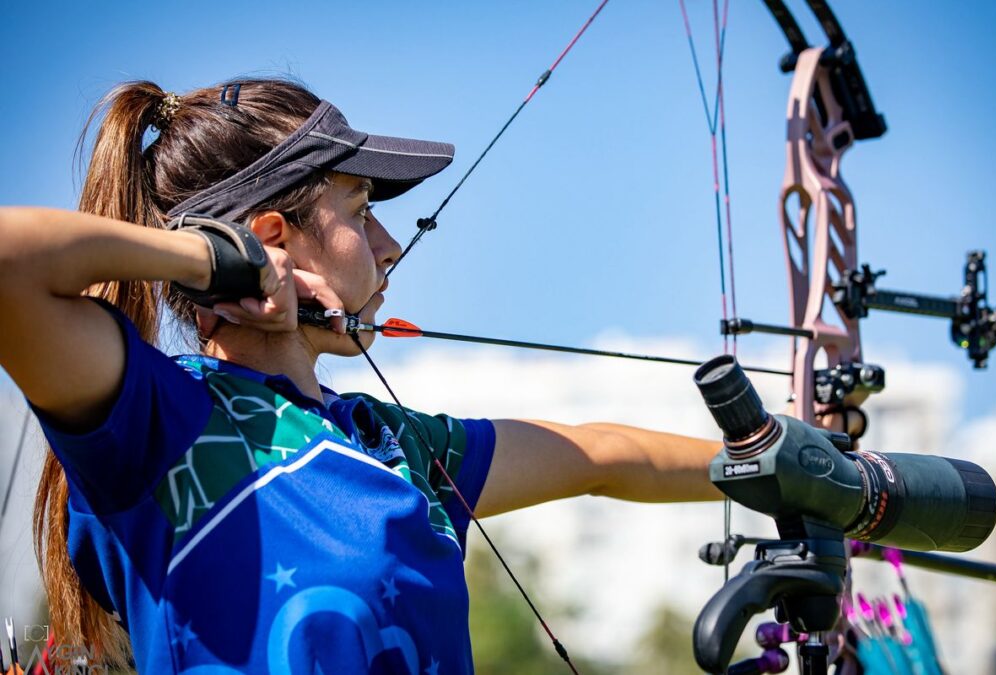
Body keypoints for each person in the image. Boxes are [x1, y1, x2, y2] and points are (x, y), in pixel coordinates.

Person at [0, 78, 724, 674]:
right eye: (361, 209)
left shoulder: (388, 444)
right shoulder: (161, 419)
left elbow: (600, 455)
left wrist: (768, 460)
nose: (389, 246)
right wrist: (209, 258)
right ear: (273, 238)